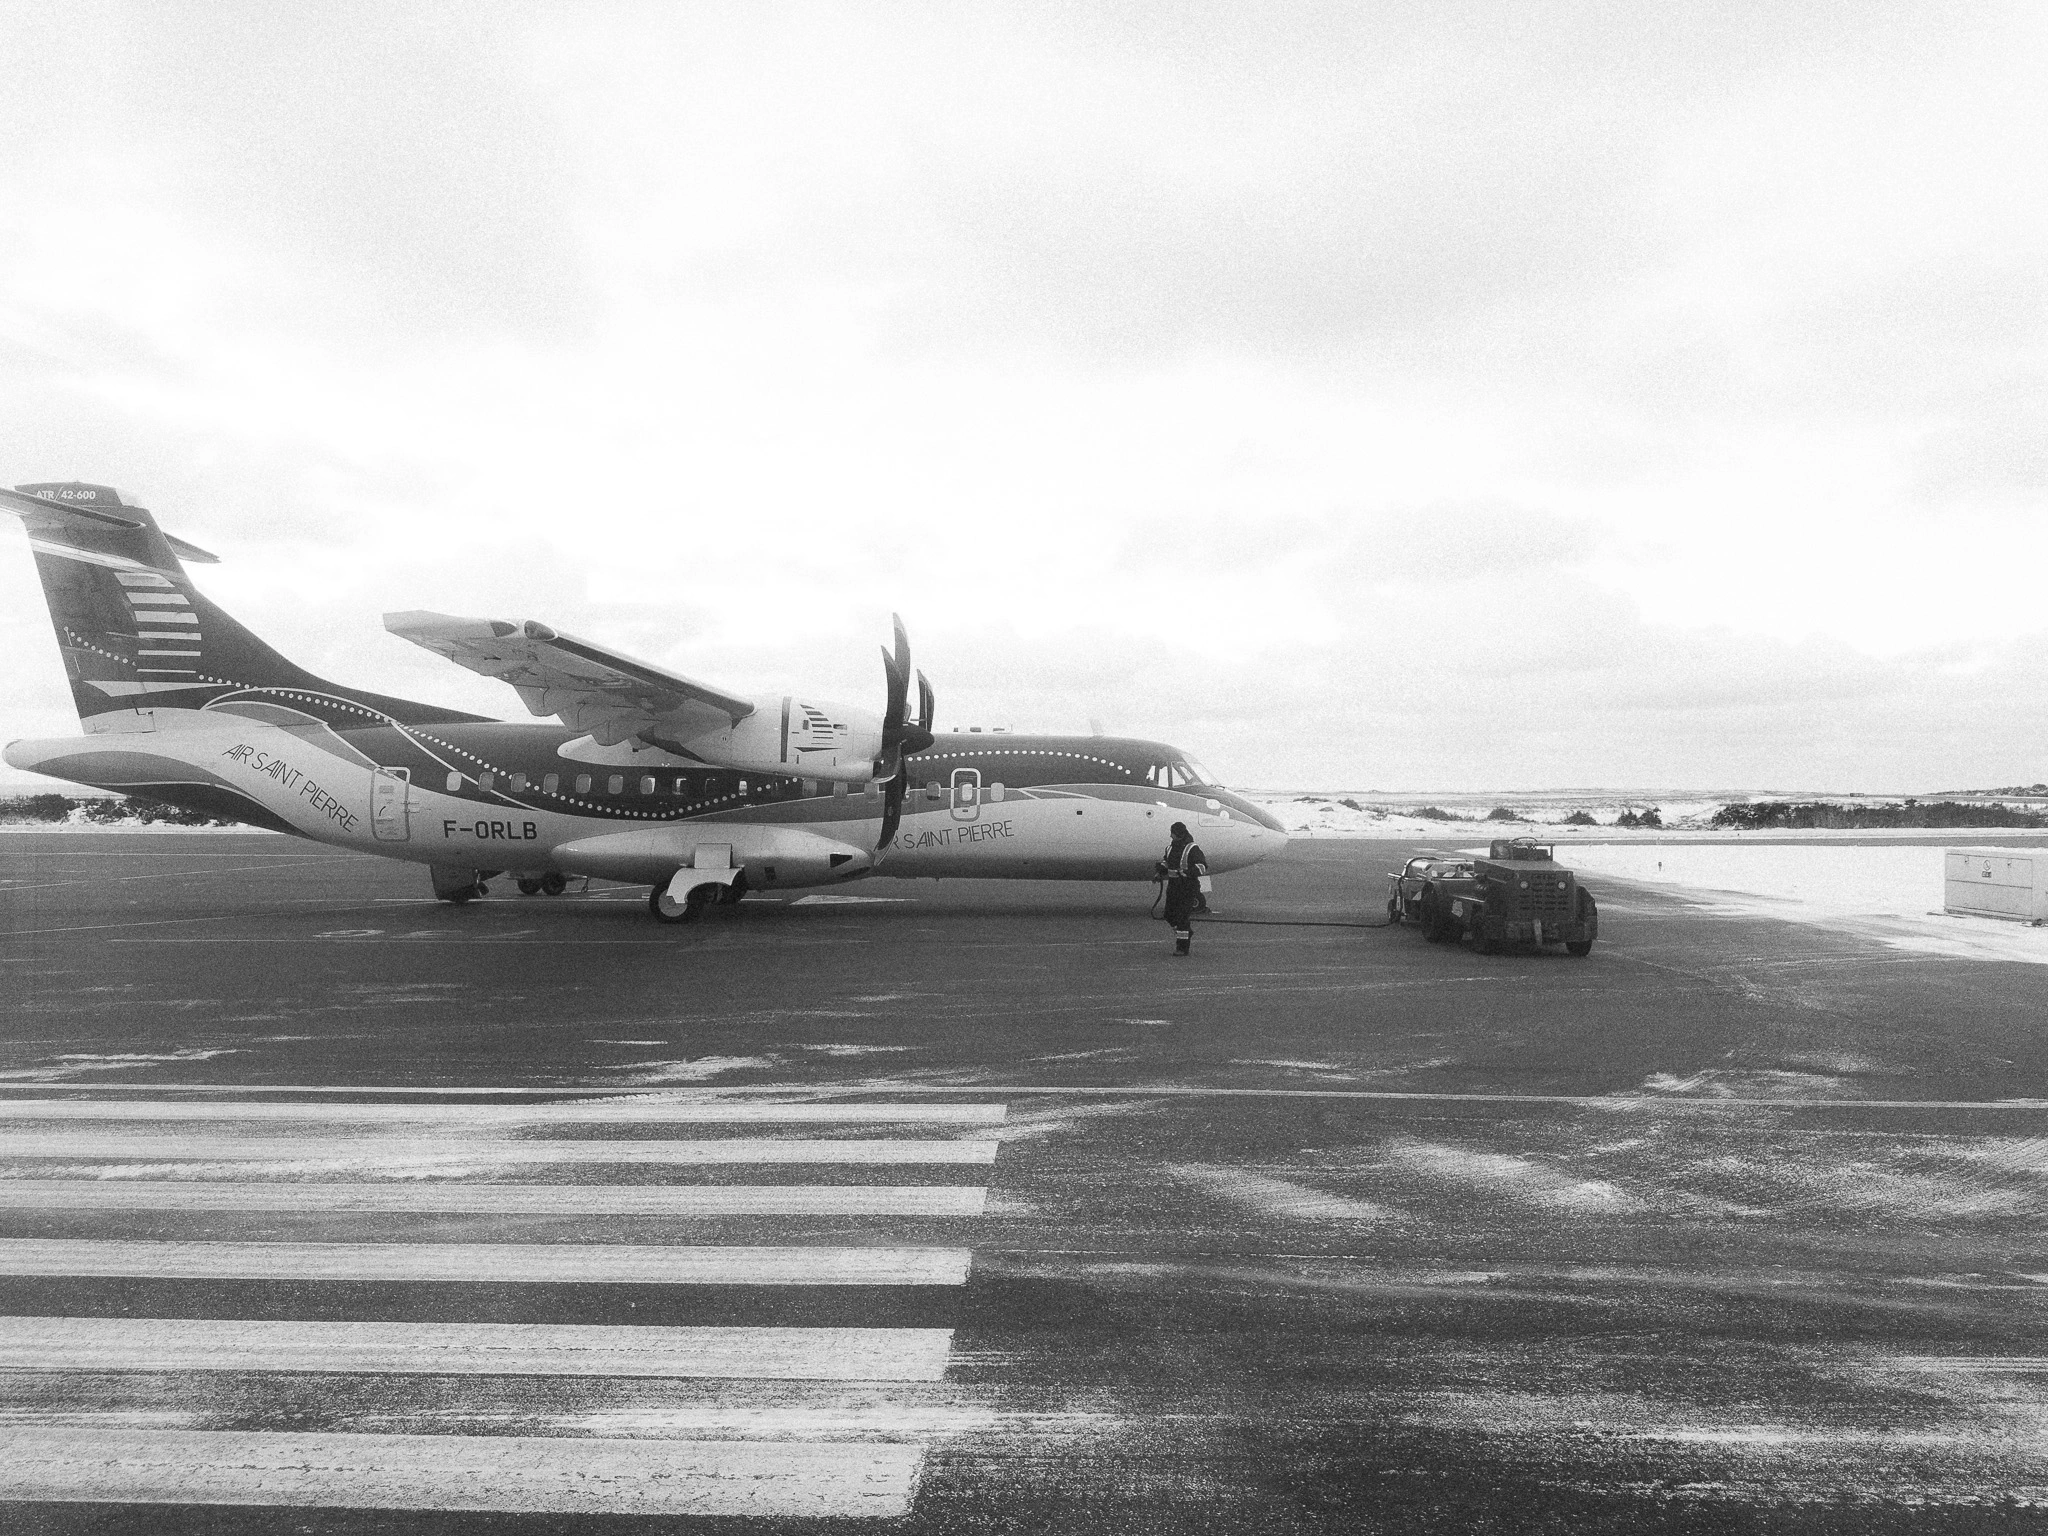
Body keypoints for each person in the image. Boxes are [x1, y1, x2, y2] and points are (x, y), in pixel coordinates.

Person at [1155, 821, 1209, 956]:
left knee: (1182, 917)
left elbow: (1202, 866)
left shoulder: (1192, 848)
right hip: (1173, 886)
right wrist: (1160, 872)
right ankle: (1184, 932)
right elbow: (1166, 861)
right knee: (1168, 914)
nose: (1170, 836)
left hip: (1188, 887)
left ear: (1178, 834)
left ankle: (1182, 947)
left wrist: (1188, 873)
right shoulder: (1170, 848)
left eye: (1172, 833)